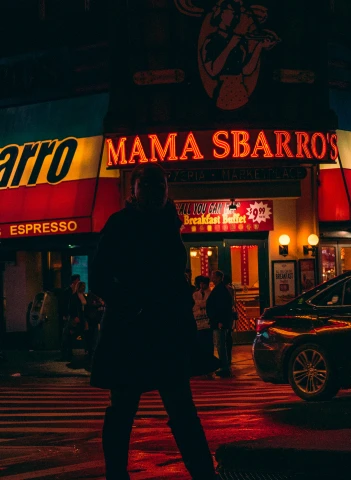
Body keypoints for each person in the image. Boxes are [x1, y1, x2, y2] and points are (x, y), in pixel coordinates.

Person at [89, 163, 216, 479]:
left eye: (159, 185)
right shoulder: (121, 224)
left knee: (179, 409)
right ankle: (117, 475)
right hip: (132, 331)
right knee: (125, 409)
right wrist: (130, 306)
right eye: (146, 184)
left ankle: (203, 473)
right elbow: (100, 277)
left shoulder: (169, 225)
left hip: (165, 332)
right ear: (133, 190)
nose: (154, 191)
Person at [207, 270, 234, 378]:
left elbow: (222, 307)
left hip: (219, 322)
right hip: (218, 321)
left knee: (221, 344)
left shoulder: (221, 290)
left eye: (213, 276)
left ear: (218, 277)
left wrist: (220, 321)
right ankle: (224, 366)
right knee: (220, 344)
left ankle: (224, 367)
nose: (211, 278)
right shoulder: (221, 289)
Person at [192, 276, 215, 379]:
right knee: (201, 346)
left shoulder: (210, 294)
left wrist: (200, 304)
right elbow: (194, 306)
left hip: (208, 323)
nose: (202, 285)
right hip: (198, 324)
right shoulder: (195, 294)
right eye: (200, 283)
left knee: (209, 346)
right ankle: (203, 369)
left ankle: (209, 369)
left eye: (203, 283)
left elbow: (208, 304)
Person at [59, 274, 81, 361]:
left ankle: (68, 353)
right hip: (69, 316)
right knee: (66, 335)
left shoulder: (76, 292)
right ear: (74, 281)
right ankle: (65, 354)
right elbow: (64, 304)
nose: (79, 281)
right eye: (78, 280)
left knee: (70, 334)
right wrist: (64, 314)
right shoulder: (68, 291)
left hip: (73, 316)